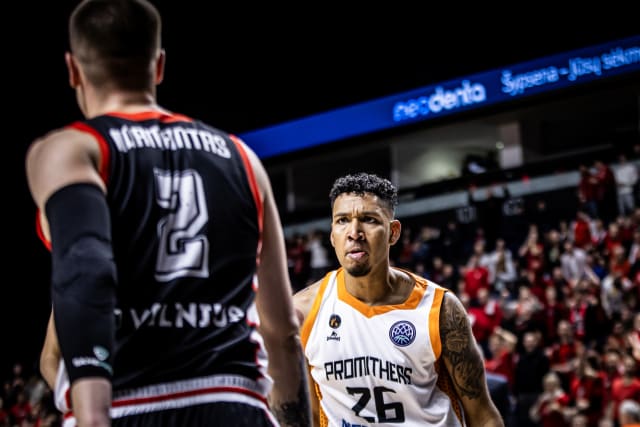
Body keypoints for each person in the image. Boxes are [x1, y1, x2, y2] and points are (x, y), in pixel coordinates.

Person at [24, 1, 310, 426]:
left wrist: (92, 415)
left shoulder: (73, 149)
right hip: (233, 403)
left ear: (73, 70)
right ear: (158, 66)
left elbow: (85, 269)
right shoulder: (243, 159)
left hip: (126, 404)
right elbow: (283, 330)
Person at [293, 172, 504, 426]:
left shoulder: (439, 309)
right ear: (332, 235)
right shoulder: (304, 311)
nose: (354, 232)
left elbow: (483, 416)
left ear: (393, 233)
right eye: (342, 221)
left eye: (369, 220)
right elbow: (308, 416)